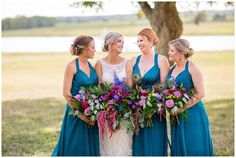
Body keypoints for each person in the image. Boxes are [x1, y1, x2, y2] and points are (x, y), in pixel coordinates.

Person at [52, 35, 100, 156]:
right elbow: (66, 93)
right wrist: (82, 115)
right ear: (84, 49)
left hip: (92, 114)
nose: (95, 50)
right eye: (93, 47)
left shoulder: (91, 66)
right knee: (75, 147)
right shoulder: (71, 66)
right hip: (76, 114)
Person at [167, 38, 214, 156]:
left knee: (193, 145)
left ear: (181, 53)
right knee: (179, 146)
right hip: (176, 115)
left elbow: (201, 93)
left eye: (171, 50)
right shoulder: (171, 69)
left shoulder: (192, 68)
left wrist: (181, 108)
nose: (169, 52)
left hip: (193, 113)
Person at [131, 28, 170, 156]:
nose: (139, 43)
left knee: (155, 144)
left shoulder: (161, 60)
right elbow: (130, 87)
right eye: (137, 41)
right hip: (137, 111)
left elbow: (165, 87)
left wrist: (153, 101)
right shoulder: (133, 61)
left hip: (156, 110)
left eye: (141, 40)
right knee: (139, 144)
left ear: (151, 40)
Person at [94, 32, 133, 156]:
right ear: (110, 43)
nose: (122, 44)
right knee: (107, 144)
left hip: (123, 111)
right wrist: (106, 105)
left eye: (123, 42)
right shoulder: (99, 64)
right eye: (119, 41)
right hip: (106, 112)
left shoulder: (127, 63)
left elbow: (130, 87)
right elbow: (98, 88)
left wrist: (122, 103)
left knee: (123, 144)